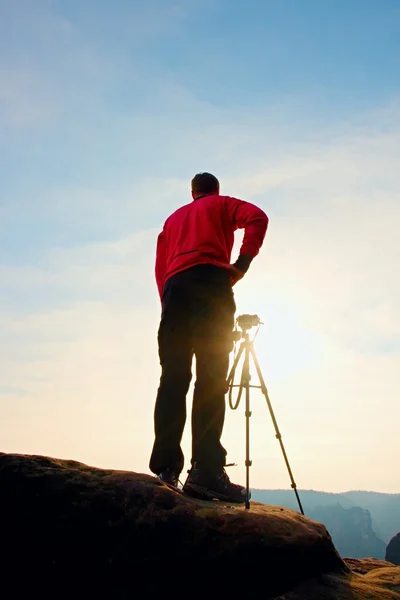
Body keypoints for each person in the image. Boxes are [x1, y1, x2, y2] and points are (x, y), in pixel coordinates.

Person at [149, 172, 269, 503]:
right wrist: (242, 264)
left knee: (172, 378)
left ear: (192, 193)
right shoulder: (223, 205)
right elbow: (258, 217)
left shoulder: (172, 220)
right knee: (211, 376)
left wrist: (167, 300)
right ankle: (204, 472)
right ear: (215, 191)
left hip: (175, 290)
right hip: (210, 283)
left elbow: (160, 265)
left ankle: (165, 470)